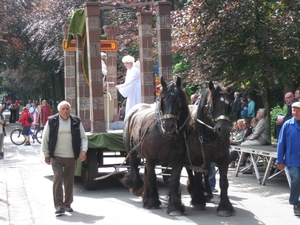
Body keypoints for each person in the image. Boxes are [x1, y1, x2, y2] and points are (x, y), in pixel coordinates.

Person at [41, 100, 88, 214]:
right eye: (63, 109)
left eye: (67, 109)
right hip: (56, 156)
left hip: (71, 156)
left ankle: (67, 204)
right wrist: (46, 154)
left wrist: (83, 150)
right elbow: (45, 138)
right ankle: (59, 206)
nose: (65, 111)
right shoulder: (52, 121)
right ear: (59, 110)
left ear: (70, 110)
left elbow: (83, 137)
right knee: (57, 179)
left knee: (69, 181)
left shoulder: (76, 121)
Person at [276, 101, 300, 216]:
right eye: (293, 111)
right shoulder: (287, 125)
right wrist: (279, 160)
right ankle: (296, 202)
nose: (295, 113)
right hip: (292, 159)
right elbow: (281, 143)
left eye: (297, 111)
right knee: (296, 178)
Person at [241, 108, 271, 174]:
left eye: (258, 112)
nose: (256, 113)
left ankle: (242, 161)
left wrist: (249, 138)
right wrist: (251, 134)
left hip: (262, 140)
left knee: (243, 144)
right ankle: (250, 167)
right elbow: (255, 132)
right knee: (254, 151)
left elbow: (256, 133)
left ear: (262, 114)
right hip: (258, 139)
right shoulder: (260, 121)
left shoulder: (262, 122)